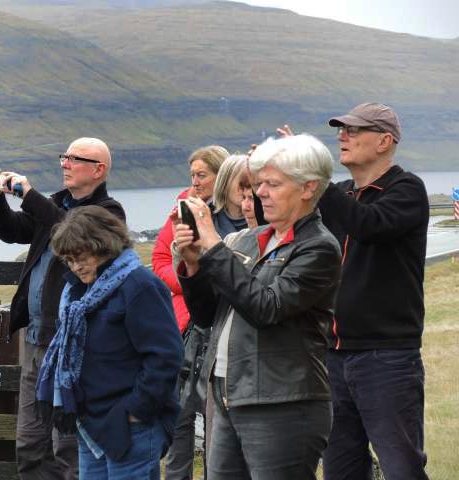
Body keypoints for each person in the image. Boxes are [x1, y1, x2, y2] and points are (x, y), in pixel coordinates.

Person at [175, 134, 342, 480]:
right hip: (228, 393)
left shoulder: (318, 249)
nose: (259, 192)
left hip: (282, 402)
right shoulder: (249, 239)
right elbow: (208, 315)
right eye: (257, 183)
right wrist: (193, 267)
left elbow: (266, 308)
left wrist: (212, 245)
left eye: (272, 183)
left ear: (308, 187)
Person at [0, 138, 125, 480]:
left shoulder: (110, 211)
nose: (65, 164)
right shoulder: (56, 204)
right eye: (64, 157)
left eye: (74, 159)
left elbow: (76, 234)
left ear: (98, 169)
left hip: (75, 342)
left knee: (68, 446)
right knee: (30, 445)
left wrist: (30, 196)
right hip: (35, 338)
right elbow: (11, 231)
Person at [318, 103, 430, 480]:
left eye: (353, 130)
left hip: (387, 358)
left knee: (402, 470)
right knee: (341, 470)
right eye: (340, 130)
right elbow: (278, 218)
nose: (341, 136)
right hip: (334, 355)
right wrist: (274, 173)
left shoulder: (407, 189)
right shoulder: (340, 193)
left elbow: (370, 224)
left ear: (384, 141)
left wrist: (315, 182)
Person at [36, 206, 184, 480]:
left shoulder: (140, 285)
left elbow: (166, 356)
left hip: (130, 427)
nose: (75, 266)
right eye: (68, 259)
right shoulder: (79, 291)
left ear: (103, 245)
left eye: (81, 256)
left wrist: (135, 411)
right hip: (92, 424)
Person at [152, 145, 229, 480]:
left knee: (215, 418)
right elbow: (159, 260)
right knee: (178, 416)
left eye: (203, 175)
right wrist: (189, 281)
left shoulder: (232, 214)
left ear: (220, 176)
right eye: (193, 175)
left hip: (219, 329)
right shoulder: (182, 206)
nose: (195, 182)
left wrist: (194, 276)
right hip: (182, 326)